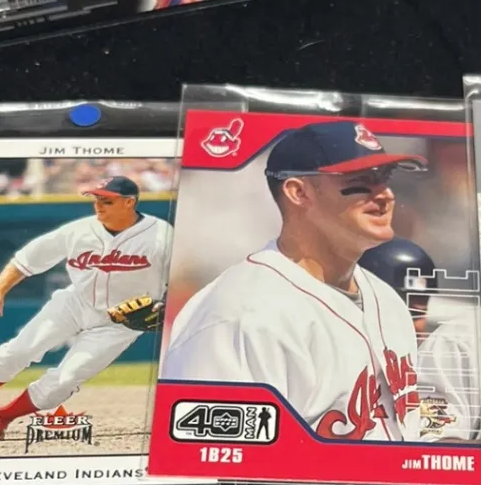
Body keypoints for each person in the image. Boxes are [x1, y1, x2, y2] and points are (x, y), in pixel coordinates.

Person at [161, 122, 425, 443]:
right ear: (299, 193)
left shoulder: (386, 299)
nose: (385, 195)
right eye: (360, 182)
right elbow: (207, 453)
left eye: (385, 178)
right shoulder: (239, 315)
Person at [0, 175, 171, 445]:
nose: (98, 206)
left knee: (65, 381)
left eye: (107, 201)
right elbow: (26, 260)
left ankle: (0, 418)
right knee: (18, 351)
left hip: (121, 323)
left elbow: (186, 278)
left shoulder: (161, 236)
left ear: (130, 202)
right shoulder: (79, 231)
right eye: (96, 199)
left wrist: (165, 306)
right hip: (75, 303)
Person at [358, 237, 481, 440]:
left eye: (419, 313)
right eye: (403, 311)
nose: (415, 326)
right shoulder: (330, 357)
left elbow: (433, 442)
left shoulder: (431, 364)